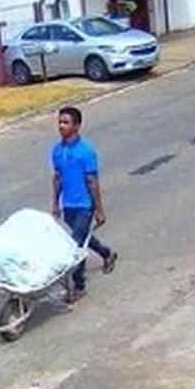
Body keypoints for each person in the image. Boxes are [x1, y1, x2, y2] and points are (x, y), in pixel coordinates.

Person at [49, 106, 118, 302]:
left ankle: (78, 285)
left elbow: (92, 182)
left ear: (77, 126)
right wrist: (55, 202)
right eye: (60, 122)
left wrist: (99, 209)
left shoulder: (86, 151)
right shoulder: (57, 151)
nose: (61, 126)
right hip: (68, 206)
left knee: (76, 246)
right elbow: (57, 178)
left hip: (84, 206)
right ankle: (107, 253)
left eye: (66, 122)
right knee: (84, 237)